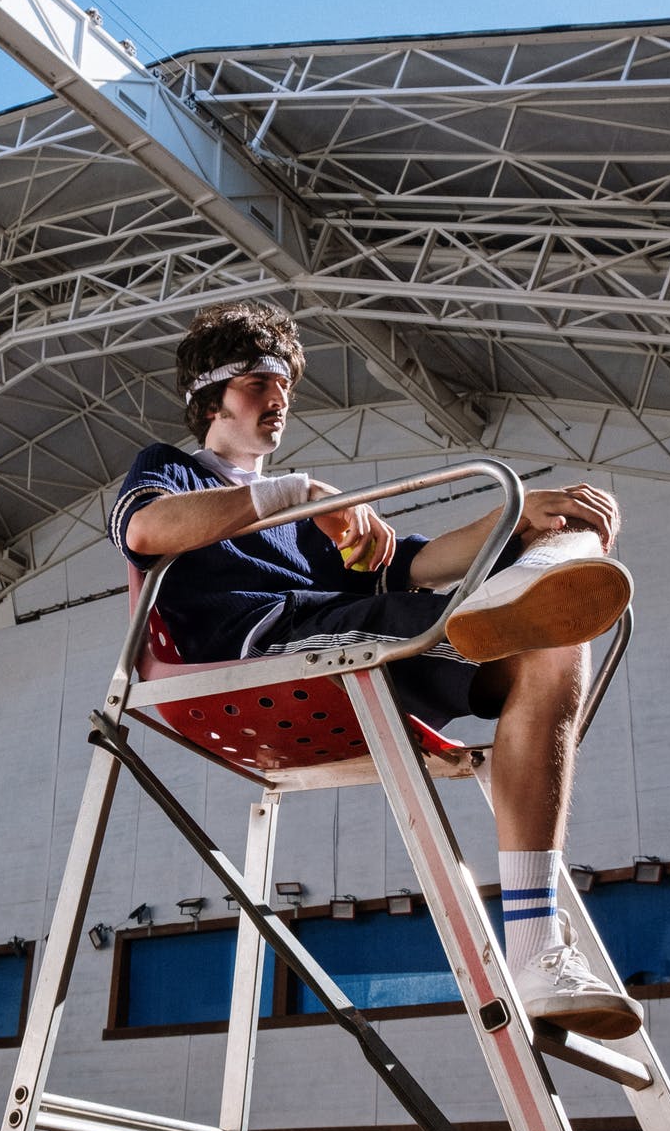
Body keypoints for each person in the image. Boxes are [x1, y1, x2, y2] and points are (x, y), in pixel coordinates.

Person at [110, 299, 641, 1040]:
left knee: (554, 649)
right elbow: (145, 528)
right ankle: (498, 602)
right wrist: (295, 492)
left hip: (347, 641)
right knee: (495, 623)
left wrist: (516, 515)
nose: (280, 398)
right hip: (259, 654)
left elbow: (410, 561)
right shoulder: (168, 469)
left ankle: (535, 949)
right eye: (262, 382)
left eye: (285, 385)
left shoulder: (324, 520)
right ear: (213, 394)